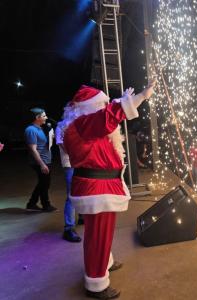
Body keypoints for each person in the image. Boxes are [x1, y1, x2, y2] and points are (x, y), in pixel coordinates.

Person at [62, 81, 155, 299]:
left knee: (101, 233)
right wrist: (140, 97)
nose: (104, 108)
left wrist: (119, 102)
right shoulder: (83, 124)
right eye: (100, 104)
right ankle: (96, 283)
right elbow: (106, 117)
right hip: (97, 189)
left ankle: (105, 262)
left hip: (99, 188)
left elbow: (104, 117)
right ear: (88, 107)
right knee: (97, 235)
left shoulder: (82, 124)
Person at [24, 108, 57, 212]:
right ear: (37, 118)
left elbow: (43, 143)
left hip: (45, 160)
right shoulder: (30, 130)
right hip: (39, 161)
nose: (46, 118)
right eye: (43, 116)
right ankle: (46, 205)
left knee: (43, 182)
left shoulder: (40, 128)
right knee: (44, 183)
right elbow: (33, 150)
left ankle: (31, 203)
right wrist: (42, 164)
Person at [56, 115, 82, 243]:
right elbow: (62, 144)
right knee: (71, 195)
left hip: (82, 162)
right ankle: (69, 228)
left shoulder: (79, 123)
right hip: (70, 163)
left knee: (83, 191)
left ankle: (82, 216)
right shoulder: (61, 126)